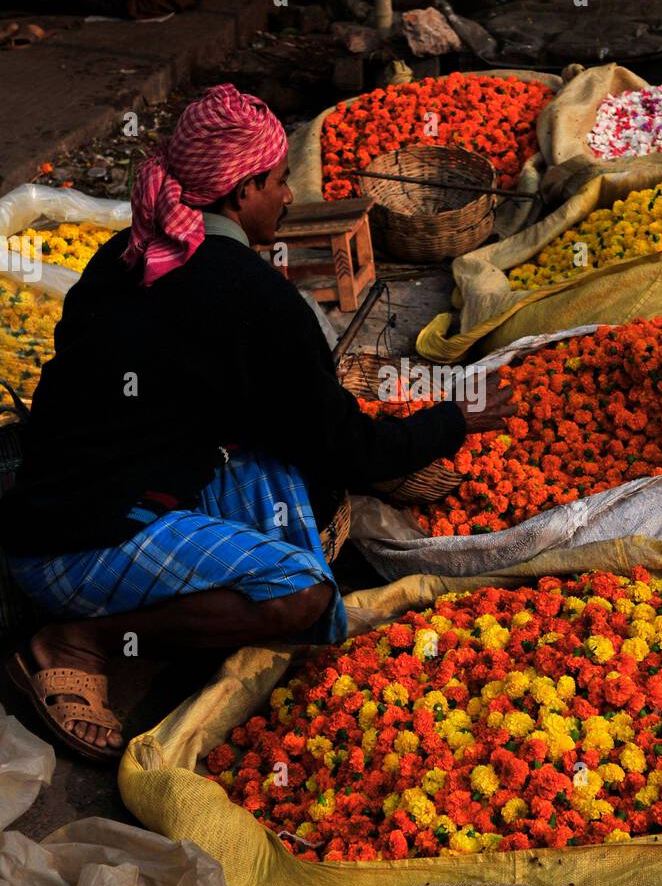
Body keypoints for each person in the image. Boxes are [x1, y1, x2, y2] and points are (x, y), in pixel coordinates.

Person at [0, 85, 512, 762]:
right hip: (75, 546)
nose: (290, 198)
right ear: (240, 193)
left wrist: (377, 450)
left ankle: (139, 620)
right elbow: (344, 447)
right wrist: (451, 422)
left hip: (58, 497)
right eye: (278, 182)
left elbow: (267, 412)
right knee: (299, 594)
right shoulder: (251, 295)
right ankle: (78, 640)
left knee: (294, 464)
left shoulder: (129, 249)